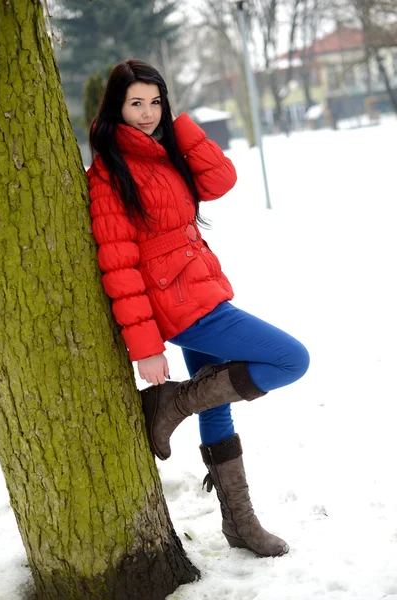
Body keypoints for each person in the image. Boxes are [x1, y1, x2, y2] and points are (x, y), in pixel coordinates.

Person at [88, 58, 310, 559]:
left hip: (200, 289)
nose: (147, 113)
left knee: (219, 403)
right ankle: (173, 402)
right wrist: (145, 349)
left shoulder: (166, 151)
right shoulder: (108, 173)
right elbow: (119, 266)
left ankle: (240, 524)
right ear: (115, 107)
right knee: (291, 359)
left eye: (155, 102)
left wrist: (182, 128)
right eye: (135, 103)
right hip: (183, 306)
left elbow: (221, 180)